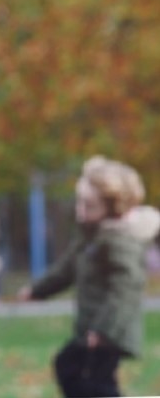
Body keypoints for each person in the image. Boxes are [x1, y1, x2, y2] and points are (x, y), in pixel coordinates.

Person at [18, 155, 160, 398]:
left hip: (111, 330)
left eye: (89, 206)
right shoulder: (89, 236)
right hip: (91, 326)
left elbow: (125, 289)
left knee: (91, 379)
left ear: (113, 207)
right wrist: (37, 290)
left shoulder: (118, 240)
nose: (80, 211)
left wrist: (105, 331)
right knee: (74, 370)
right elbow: (66, 269)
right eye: (79, 203)